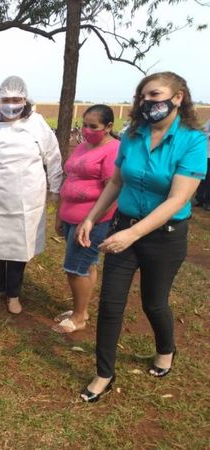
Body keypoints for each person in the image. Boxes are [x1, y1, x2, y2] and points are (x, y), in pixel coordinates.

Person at [77, 72, 207, 403]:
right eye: (142, 97)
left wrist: (132, 234)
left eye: (155, 95)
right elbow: (116, 183)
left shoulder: (193, 140)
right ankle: (104, 373)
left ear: (178, 97)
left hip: (164, 236)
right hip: (124, 226)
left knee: (153, 301)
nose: (148, 102)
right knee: (110, 304)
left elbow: (178, 199)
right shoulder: (133, 136)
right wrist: (91, 218)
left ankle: (166, 348)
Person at [0, 76, 63, 314]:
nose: (11, 104)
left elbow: (53, 157)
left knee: (19, 247)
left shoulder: (37, 124)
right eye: (6, 99)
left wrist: (56, 188)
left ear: (25, 100)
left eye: (16, 99)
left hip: (27, 200)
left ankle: (14, 293)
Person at [52, 105, 120, 333]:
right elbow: (69, 178)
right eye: (85, 125)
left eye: (94, 126)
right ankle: (81, 310)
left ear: (109, 126)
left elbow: (112, 190)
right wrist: (61, 213)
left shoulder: (113, 150)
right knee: (87, 265)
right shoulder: (82, 147)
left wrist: (90, 220)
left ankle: (79, 317)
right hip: (71, 216)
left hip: (93, 221)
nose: (88, 130)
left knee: (75, 268)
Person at [193, 119, 210, 210]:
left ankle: (208, 202)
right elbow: (202, 131)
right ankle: (199, 199)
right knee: (201, 177)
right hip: (206, 155)